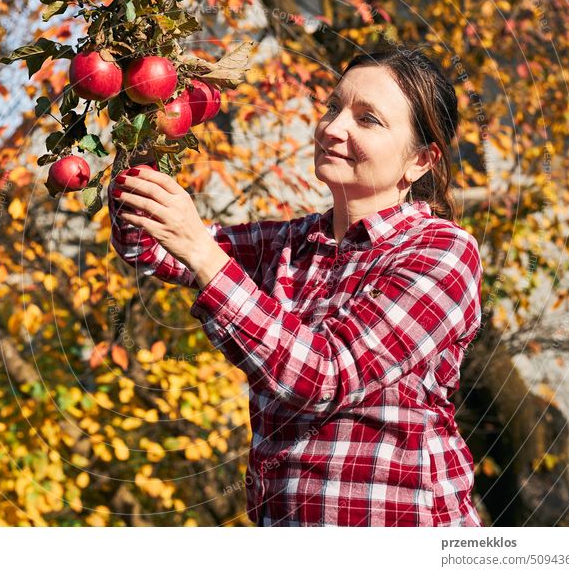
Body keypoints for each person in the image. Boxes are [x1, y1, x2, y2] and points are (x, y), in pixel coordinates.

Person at [108, 44, 484, 527]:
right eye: (334, 107)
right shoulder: (291, 242)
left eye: (367, 119)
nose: (332, 127)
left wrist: (202, 251)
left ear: (420, 161)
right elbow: (149, 248)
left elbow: (324, 376)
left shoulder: (442, 253)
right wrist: (142, 116)